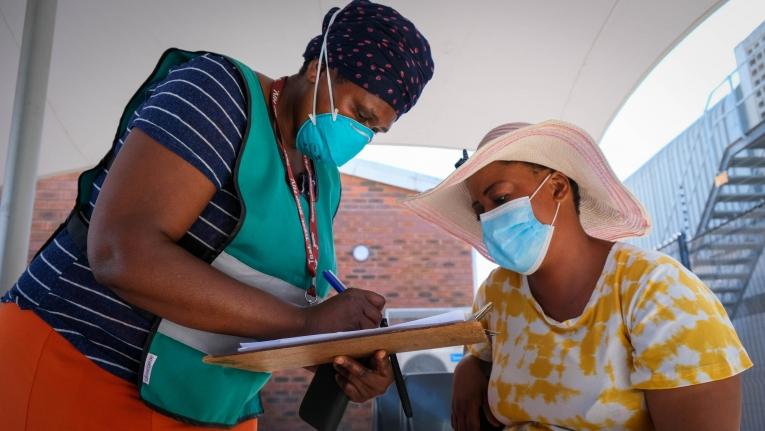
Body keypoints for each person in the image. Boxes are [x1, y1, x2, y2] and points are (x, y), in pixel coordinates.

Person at [0, 1, 434, 429]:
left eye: (374, 131)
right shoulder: (217, 94)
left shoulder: (324, 180)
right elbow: (121, 253)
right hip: (82, 367)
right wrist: (304, 322)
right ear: (317, 69)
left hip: (210, 405)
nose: (359, 136)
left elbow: (266, 313)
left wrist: (342, 357)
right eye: (360, 114)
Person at [403, 121, 752, 431]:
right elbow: (481, 352)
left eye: (501, 197)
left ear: (557, 187)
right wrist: (470, 368)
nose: (489, 219)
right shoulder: (498, 292)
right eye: (480, 210)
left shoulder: (657, 291)